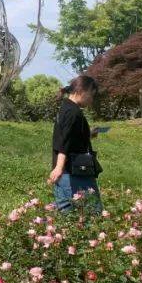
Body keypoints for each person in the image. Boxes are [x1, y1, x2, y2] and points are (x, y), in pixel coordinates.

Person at [49, 74, 103, 214]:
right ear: (82, 91)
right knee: (92, 214)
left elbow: (70, 137)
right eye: (91, 95)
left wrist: (88, 133)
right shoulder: (73, 112)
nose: (91, 100)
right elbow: (65, 141)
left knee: (68, 220)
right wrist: (59, 167)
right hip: (75, 173)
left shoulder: (66, 108)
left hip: (66, 173)